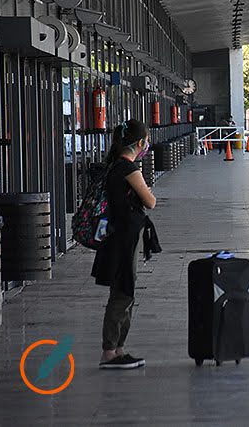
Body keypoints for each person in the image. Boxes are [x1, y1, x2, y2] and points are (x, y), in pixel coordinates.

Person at [91, 119, 157, 369]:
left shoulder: (114, 166)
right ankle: (110, 352)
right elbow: (150, 201)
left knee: (123, 290)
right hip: (124, 239)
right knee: (123, 291)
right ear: (140, 143)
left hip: (116, 237)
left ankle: (118, 348)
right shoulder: (129, 169)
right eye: (146, 140)